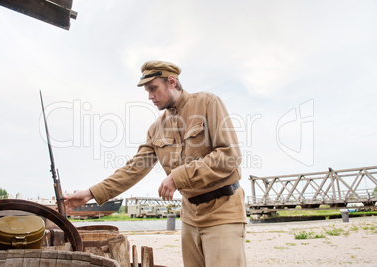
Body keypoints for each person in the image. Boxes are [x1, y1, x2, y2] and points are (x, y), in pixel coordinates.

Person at [64, 60, 247, 267]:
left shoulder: (208, 103)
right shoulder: (156, 129)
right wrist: (89, 193)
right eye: (147, 91)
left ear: (171, 81)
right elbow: (133, 169)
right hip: (190, 217)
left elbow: (229, 156)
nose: (150, 96)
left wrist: (178, 177)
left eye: (153, 89)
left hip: (224, 211)